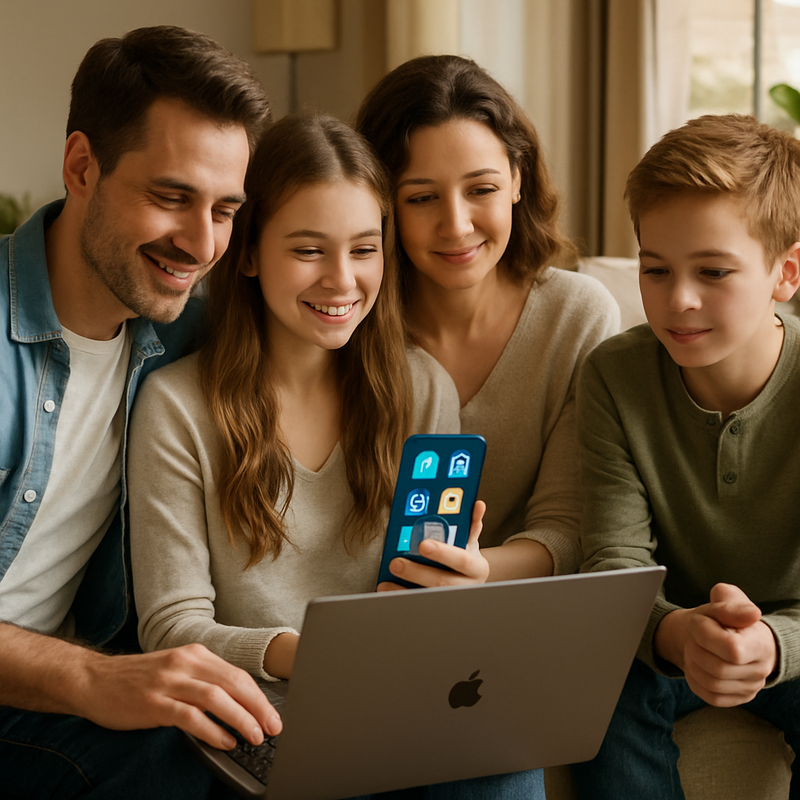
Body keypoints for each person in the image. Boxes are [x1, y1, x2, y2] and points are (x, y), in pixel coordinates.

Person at [128, 112, 545, 799]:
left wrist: (452, 590)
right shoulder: (177, 407)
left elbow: (422, 604)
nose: (341, 280)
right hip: (264, 715)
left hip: (406, 698)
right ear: (250, 252)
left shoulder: (420, 388)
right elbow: (172, 628)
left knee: (506, 758)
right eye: (308, 249)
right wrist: (316, 657)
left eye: (363, 249)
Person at [0, 25, 279, 799]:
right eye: (171, 197)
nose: (201, 243)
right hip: (60, 689)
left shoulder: (193, 334)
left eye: (226, 209)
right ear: (82, 166)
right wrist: (92, 678)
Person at [571, 114, 800, 798]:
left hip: (792, 638)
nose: (679, 300)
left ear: (785, 272)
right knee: (595, 680)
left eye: (713, 271)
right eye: (655, 270)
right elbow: (613, 567)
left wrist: (773, 645)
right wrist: (676, 635)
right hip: (664, 637)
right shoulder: (614, 374)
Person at [356, 54, 619, 584]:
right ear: (382, 203)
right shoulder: (346, 320)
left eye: (482, 189)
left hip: (523, 614)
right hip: (377, 610)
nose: (456, 225)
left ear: (518, 179)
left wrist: (473, 573)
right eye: (423, 197)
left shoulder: (576, 315)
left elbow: (568, 528)